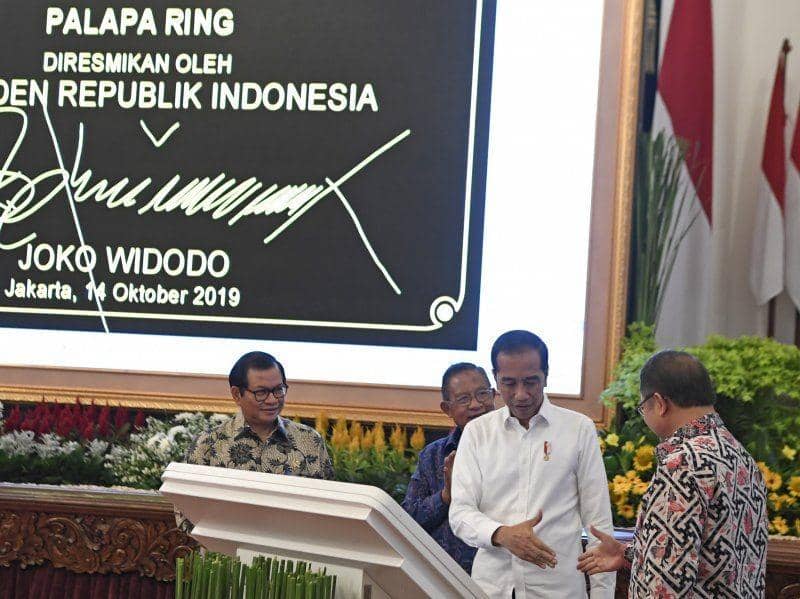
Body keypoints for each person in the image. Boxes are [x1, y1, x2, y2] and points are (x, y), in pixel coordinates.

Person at [577, 350, 768, 598]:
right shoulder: (740, 456)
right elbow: (709, 555)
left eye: (642, 407)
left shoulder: (682, 464)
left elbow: (666, 586)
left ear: (659, 403)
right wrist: (629, 554)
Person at [449, 330, 615, 598]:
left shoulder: (577, 429)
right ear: (496, 378)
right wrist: (501, 534)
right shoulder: (478, 433)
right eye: (509, 383)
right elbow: (460, 514)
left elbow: (599, 527)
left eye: (531, 382)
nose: (521, 394)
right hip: (492, 589)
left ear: (546, 375)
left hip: (558, 590)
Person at [178, 351, 334, 532]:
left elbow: (328, 509)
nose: (272, 400)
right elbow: (185, 516)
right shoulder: (207, 445)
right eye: (261, 392)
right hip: (227, 554)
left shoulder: (309, 441)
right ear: (237, 394)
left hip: (291, 552)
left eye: (279, 390)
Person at [402, 362, 496, 574]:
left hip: (499, 576)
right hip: (443, 576)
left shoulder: (516, 448)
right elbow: (408, 518)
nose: (476, 404)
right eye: (464, 399)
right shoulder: (434, 455)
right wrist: (445, 496)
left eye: (483, 394)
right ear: (447, 409)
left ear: (494, 395)